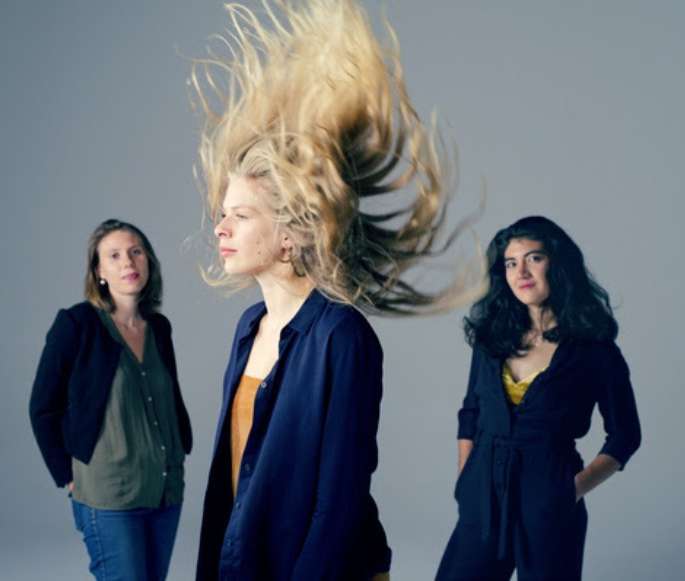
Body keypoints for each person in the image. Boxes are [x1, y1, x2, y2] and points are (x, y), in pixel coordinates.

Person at [190, 1, 481, 579]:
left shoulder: (342, 336)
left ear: (291, 235)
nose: (220, 229)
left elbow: (339, 500)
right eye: (223, 214)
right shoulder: (248, 328)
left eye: (241, 216)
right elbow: (232, 482)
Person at [435, 215, 642, 581]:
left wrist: (571, 490)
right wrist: (467, 479)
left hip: (548, 502)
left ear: (557, 264)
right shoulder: (492, 337)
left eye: (534, 258)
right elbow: (471, 412)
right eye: (510, 263)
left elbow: (626, 435)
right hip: (482, 497)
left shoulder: (594, 350)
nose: (521, 272)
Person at [29, 219, 192, 581]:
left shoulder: (159, 329)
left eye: (136, 251)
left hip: (165, 491)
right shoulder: (77, 324)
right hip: (109, 494)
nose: (128, 262)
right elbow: (42, 407)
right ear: (99, 271)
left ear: (149, 260)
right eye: (114, 255)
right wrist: (67, 475)